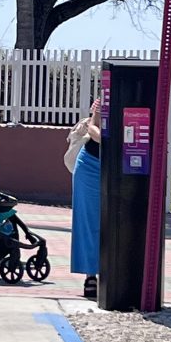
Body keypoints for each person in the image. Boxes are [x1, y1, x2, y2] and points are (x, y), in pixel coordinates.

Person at [71, 98, 101, 299]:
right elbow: (93, 129)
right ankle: (91, 275)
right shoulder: (105, 96)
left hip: (125, 163)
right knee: (89, 219)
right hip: (91, 163)